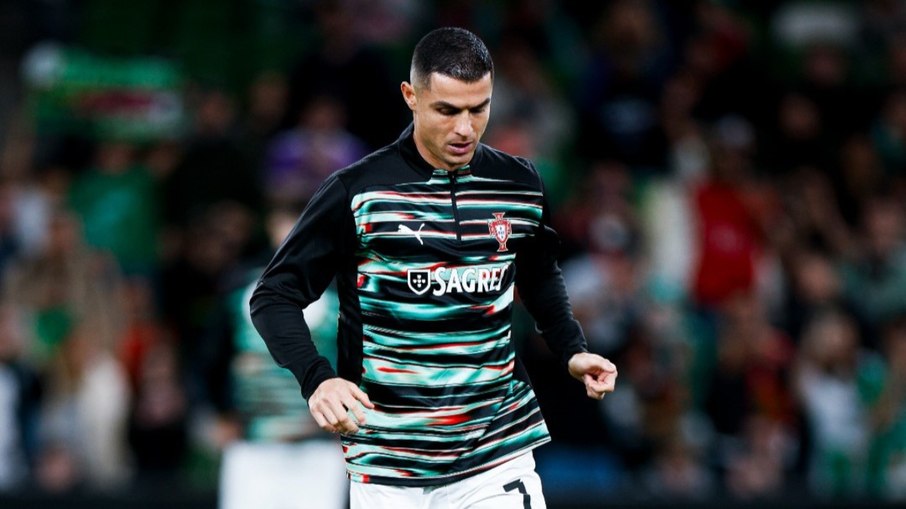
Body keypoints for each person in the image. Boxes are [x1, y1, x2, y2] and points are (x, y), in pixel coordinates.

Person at [250, 27, 618, 508]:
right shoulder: (357, 192)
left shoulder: (519, 184)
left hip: (495, 452)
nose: (465, 128)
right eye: (447, 110)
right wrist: (316, 378)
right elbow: (273, 296)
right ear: (411, 97)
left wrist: (571, 348)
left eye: (478, 108)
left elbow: (538, 274)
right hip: (388, 462)